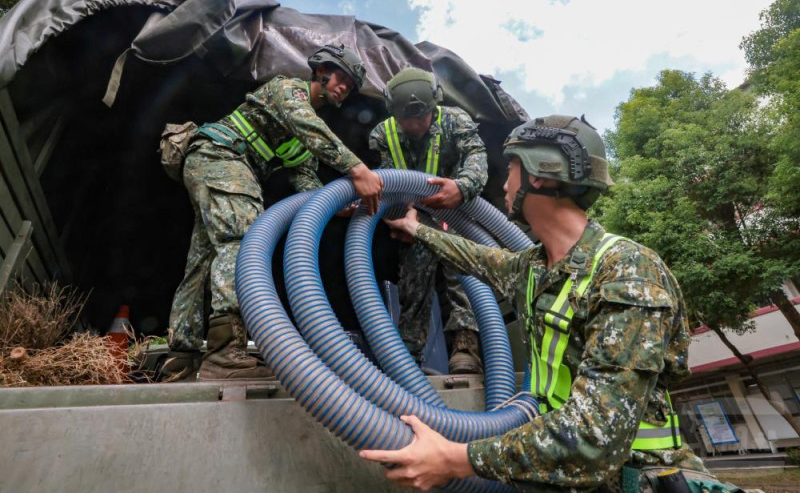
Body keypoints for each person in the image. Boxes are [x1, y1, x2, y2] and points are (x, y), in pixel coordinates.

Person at [361, 115, 712, 492]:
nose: (504, 183)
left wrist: (455, 459)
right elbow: (476, 257)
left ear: (540, 175)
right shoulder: (532, 268)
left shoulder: (627, 271)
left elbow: (596, 433)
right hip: (563, 478)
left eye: (511, 169)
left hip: (635, 480)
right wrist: (417, 229)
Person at [162, 44, 383, 381]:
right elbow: (306, 124)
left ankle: (181, 355)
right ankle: (225, 352)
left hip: (215, 164)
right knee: (243, 239)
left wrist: (335, 205)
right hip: (220, 155)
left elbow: (304, 177)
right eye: (342, 78)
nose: (345, 87)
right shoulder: (288, 90)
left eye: (351, 86)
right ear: (321, 71)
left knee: (204, 258)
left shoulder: (299, 138)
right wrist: (357, 168)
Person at [369, 67, 487, 374]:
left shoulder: (455, 121)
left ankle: (465, 346)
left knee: (461, 276)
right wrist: (400, 221)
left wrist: (461, 187)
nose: (416, 125)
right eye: (407, 119)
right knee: (413, 285)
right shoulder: (383, 135)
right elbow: (385, 186)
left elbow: (477, 159)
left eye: (422, 116)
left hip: (456, 214)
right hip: (413, 218)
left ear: (433, 106)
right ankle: (408, 358)